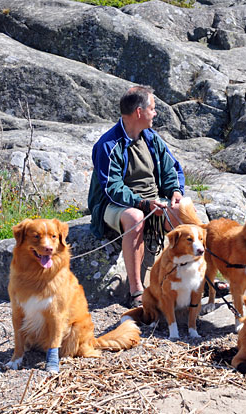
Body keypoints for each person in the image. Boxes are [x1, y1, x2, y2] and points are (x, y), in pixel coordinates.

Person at [87, 85, 189, 308]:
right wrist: (142, 203)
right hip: (115, 205)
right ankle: (136, 292)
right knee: (135, 217)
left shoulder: (151, 139)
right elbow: (111, 188)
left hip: (151, 202)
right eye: (152, 108)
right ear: (139, 112)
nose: (155, 113)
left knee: (184, 213)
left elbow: (171, 170)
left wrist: (175, 192)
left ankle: (194, 283)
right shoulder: (107, 145)